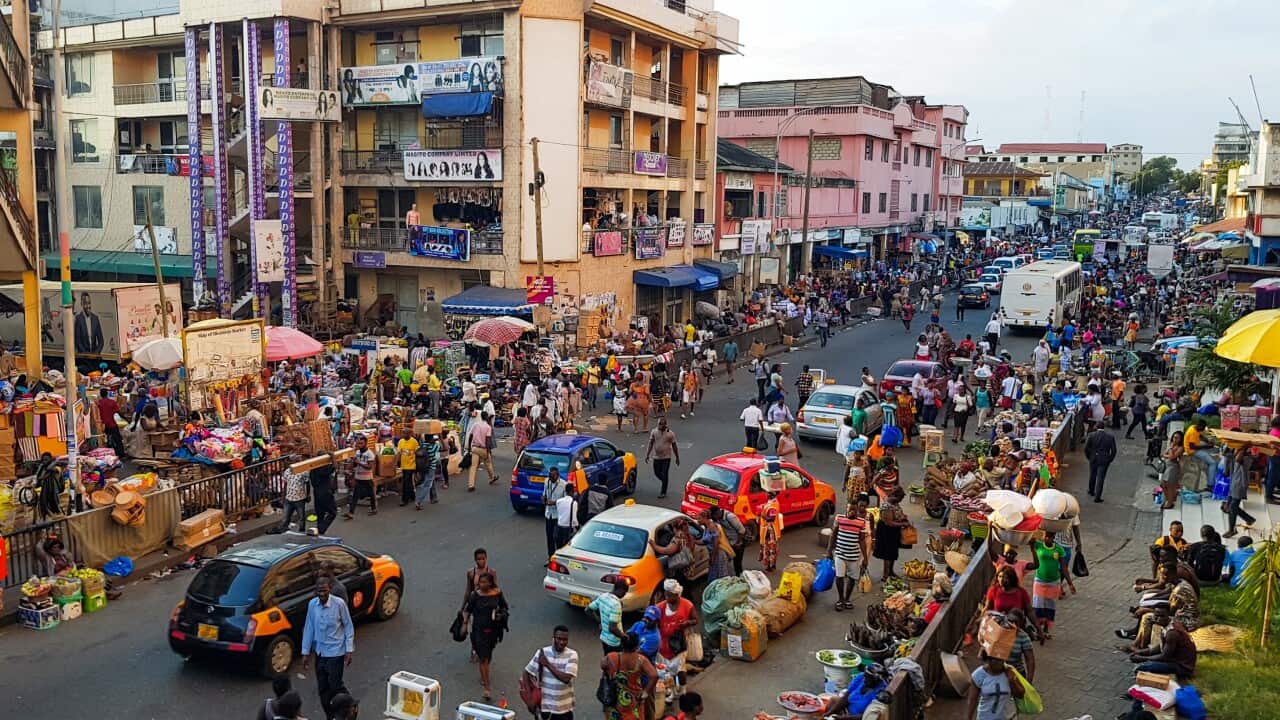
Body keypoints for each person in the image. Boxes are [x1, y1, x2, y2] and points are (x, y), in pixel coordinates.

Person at [300, 577, 354, 720]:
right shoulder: (312, 605)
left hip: (336, 652)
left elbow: (348, 626)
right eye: (319, 591)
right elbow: (309, 628)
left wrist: (349, 650)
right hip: (320, 653)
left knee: (335, 686)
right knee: (323, 689)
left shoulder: (339, 604)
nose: (322, 594)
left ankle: (350, 707)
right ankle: (331, 716)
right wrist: (305, 652)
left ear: (329, 589)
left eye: (324, 590)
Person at [463, 570, 509, 700]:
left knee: (488, 656)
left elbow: (505, 607)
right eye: (480, 582)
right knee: (483, 658)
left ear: (490, 583)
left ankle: (485, 675)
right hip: (478, 631)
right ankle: (487, 687)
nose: (482, 584)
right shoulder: (475, 595)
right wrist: (464, 624)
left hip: (493, 631)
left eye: (484, 582)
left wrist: (501, 615)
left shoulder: (497, 593)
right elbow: (468, 610)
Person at [524, 625, 579, 720]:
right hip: (545, 709)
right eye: (559, 639)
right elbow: (526, 673)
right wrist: (529, 700)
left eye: (565, 639)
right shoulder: (542, 652)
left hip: (564, 709)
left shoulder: (572, 655)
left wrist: (547, 664)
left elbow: (566, 679)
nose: (562, 642)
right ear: (553, 638)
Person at [601, 631, 658, 720]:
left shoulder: (611, 657)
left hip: (614, 697)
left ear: (622, 644)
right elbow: (654, 676)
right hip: (634, 700)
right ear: (637, 646)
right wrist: (645, 693)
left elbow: (603, 665)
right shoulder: (641, 660)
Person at [655, 579, 698, 696]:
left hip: (679, 644)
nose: (667, 598)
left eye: (670, 595)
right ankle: (672, 692)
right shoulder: (660, 607)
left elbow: (695, 620)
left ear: (677, 595)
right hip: (663, 645)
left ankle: (683, 690)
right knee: (667, 672)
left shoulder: (687, 605)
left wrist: (687, 623)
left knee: (680, 669)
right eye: (666, 595)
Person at [828, 494, 870, 612]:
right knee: (839, 577)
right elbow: (833, 535)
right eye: (850, 509)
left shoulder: (861, 522)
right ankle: (840, 599)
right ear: (846, 508)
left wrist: (865, 558)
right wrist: (829, 551)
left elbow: (861, 540)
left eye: (854, 510)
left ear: (857, 510)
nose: (852, 512)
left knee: (852, 578)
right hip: (840, 554)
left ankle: (847, 599)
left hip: (854, 556)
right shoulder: (839, 518)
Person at [1030, 532, 1074, 639]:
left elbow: (1064, 568)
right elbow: (1027, 539)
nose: (1047, 539)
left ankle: (1046, 630)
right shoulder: (1038, 545)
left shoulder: (1059, 549)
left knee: (1049, 607)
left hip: (1053, 582)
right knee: (1038, 606)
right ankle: (1038, 630)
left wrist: (1070, 583)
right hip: (1039, 581)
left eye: (1049, 537)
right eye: (1045, 536)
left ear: (1053, 538)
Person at [1129, 613, 1197, 679]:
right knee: (1148, 662)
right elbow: (1160, 646)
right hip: (1174, 660)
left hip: (1182, 667)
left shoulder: (1172, 633)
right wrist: (1140, 652)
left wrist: (1142, 658)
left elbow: (1164, 656)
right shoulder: (1169, 624)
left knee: (1141, 668)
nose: (1157, 618)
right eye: (1156, 615)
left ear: (1167, 616)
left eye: (1161, 616)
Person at [966, 652, 1023, 720]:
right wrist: (969, 718)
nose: (999, 662)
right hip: (985, 717)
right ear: (988, 660)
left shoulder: (1010, 671)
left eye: (1001, 659)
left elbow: (1021, 695)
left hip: (1008, 717)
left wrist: (1012, 681)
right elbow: (973, 700)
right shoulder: (978, 675)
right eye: (995, 659)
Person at [873, 486, 908, 580]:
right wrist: (903, 523)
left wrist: (903, 517)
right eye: (900, 498)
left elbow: (897, 514)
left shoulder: (895, 503)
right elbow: (889, 522)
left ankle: (891, 572)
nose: (900, 501)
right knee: (887, 554)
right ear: (895, 496)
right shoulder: (886, 506)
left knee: (893, 552)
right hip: (887, 531)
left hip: (894, 531)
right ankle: (886, 575)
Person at [586, 579, 629, 655]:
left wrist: (599, 621)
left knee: (607, 660)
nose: (624, 595)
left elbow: (588, 610)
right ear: (620, 590)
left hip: (604, 638)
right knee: (615, 664)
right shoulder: (616, 605)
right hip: (614, 642)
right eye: (625, 592)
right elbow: (613, 628)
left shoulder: (603, 596)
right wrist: (624, 637)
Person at [1224, 446, 1257, 538]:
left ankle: (1231, 530)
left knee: (1232, 507)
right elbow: (1225, 454)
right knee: (1229, 507)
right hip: (1233, 483)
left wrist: (1243, 445)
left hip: (1240, 485)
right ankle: (1249, 519)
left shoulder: (1246, 458)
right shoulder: (1234, 456)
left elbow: (1238, 459)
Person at [646, 418, 680, 498]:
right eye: (659, 424)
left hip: (666, 457)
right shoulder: (654, 432)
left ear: (665, 425)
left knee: (664, 473)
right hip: (656, 457)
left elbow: (674, 446)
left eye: (661, 424)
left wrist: (677, 457)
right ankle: (665, 481)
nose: (659, 426)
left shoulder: (670, 434)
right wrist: (647, 454)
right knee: (657, 473)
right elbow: (650, 443)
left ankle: (663, 491)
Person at [344, 435, 377, 518]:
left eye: (361, 443)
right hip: (358, 477)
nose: (359, 445)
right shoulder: (357, 452)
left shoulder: (370, 454)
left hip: (367, 478)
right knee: (355, 495)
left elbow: (369, 467)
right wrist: (349, 468)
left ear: (366, 443)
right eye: (358, 443)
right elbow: (354, 463)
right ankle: (351, 513)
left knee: (371, 494)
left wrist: (358, 462)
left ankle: (374, 509)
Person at [1084, 425, 1117, 502]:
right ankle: (1097, 497)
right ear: (1104, 427)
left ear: (1096, 427)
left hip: (1093, 458)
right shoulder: (1110, 437)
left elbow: (1086, 448)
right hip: (1104, 459)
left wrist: (1089, 457)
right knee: (1100, 478)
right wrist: (1110, 459)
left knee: (1092, 474)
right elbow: (1114, 450)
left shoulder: (1091, 435)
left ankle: (1091, 491)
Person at [711, 506, 748, 576]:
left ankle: (740, 578)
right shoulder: (718, 518)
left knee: (737, 564)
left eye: (715, 515)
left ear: (718, 512)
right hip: (730, 543)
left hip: (738, 543)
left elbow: (742, 531)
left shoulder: (730, 517)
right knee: (730, 563)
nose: (715, 517)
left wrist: (738, 543)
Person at [1004, 608, 1037, 682]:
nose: (1012, 624)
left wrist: (1029, 679)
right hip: (999, 672)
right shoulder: (1000, 632)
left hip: (1017, 673)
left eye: (1015, 622)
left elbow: (1030, 659)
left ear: (1021, 623)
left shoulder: (1023, 637)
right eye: (1010, 621)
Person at [542, 467, 568, 558]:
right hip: (548, 514)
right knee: (549, 538)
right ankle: (550, 557)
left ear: (557, 475)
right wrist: (544, 498)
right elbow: (544, 493)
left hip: (558, 515)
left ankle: (559, 556)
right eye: (549, 476)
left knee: (557, 537)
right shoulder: (546, 482)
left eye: (552, 477)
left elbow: (565, 501)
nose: (550, 479)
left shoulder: (564, 485)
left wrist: (555, 503)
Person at [276, 465, 309, 533]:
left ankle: (301, 531)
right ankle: (284, 529)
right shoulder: (287, 472)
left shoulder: (303, 471)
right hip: (289, 498)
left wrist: (307, 495)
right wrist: (283, 497)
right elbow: (285, 485)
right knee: (285, 517)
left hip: (299, 498)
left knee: (301, 518)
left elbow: (307, 483)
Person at [467, 412, 496, 490]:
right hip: (483, 448)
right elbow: (488, 440)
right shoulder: (488, 427)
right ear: (486, 417)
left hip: (475, 448)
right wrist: (488, 450)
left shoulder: (476, 424)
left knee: (473, 466)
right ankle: (492, 477)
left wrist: (470, 448)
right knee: (488, 463)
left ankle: (471, 485)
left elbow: (470, 436)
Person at [415, 433, 441, 509]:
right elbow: (438, 456)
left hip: (423, 467)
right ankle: (418, 501)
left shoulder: (423, 445)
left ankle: (434, 497)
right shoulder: (435, 446)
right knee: (427, 485)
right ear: (431, 439)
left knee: (430, 481)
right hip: (431, 467)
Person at [758, 496, 784, 572]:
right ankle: (772, 565)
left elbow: (771, 518)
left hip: (770, 530)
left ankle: (770, 566)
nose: (766, 494)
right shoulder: (772, 503)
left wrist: (762, 515)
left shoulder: (773, 506)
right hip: (770, 530)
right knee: (772, 549)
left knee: (770, 549)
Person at [395, 427, 419, 507]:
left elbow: (417, 453)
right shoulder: (401, 441)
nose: (403, 434)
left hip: (411, 466)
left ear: (409, 434)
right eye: (402, 433)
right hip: (403, 465)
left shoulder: (414, 442)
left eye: (405, 433)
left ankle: (404, 500)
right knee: (408, 482)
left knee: (405, 483)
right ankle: (412, 496)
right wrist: (396, 463)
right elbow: (399, 453)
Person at [555, 483, 580, 549]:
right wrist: (578, 529)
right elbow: (574, 519)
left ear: (565, 491)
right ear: (572, 491)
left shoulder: (558, 501)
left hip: (559, 527)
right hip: (568, 529)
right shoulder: (574, 503)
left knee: (558, 547)